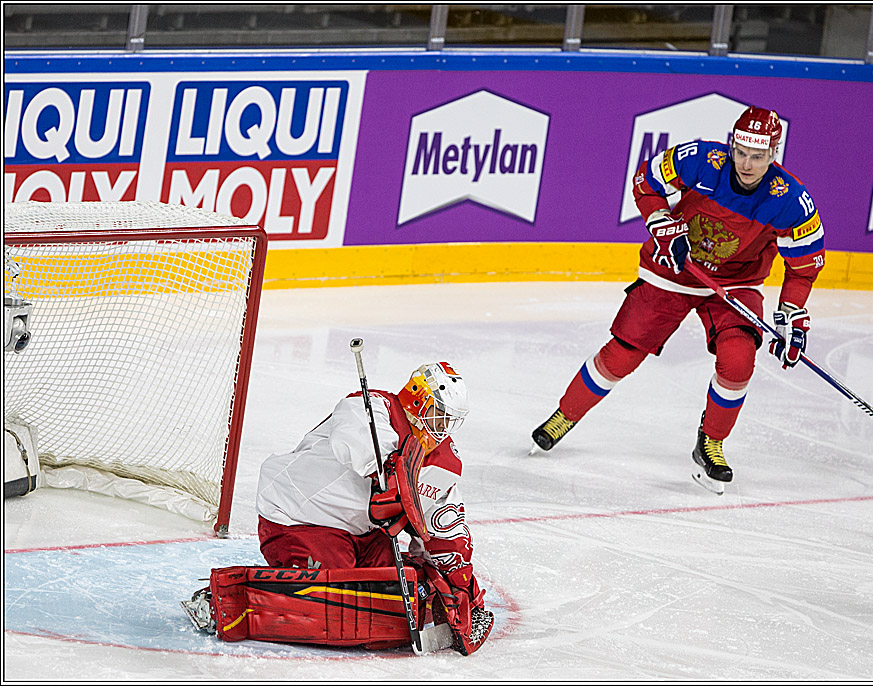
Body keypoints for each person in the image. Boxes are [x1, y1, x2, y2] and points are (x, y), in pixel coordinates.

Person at [531, 106, 825, 494]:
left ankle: (711, 443)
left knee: (738, 360)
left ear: (774, 155)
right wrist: (661, 222)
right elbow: (645, 180)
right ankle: (565, 415)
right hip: (673, 266)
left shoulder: (790, 200)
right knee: (623, 353)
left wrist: (791, 313)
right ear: (731, 144)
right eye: (741, 152)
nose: (746, 163)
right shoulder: (702, 160)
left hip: (736, 282)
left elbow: (804, 263)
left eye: (758, 156)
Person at [182, 362, 493, 655]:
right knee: (336, 605)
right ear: (414, 398)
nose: (442, 426)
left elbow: (444, 525)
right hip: (299, 517)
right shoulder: (370, 408)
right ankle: (228, 602)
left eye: (450, 419)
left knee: (395, 601)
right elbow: (354, 447)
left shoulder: (443, 461)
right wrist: (393, 472)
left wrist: (462, 581)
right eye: (437, 413)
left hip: (364, 533)